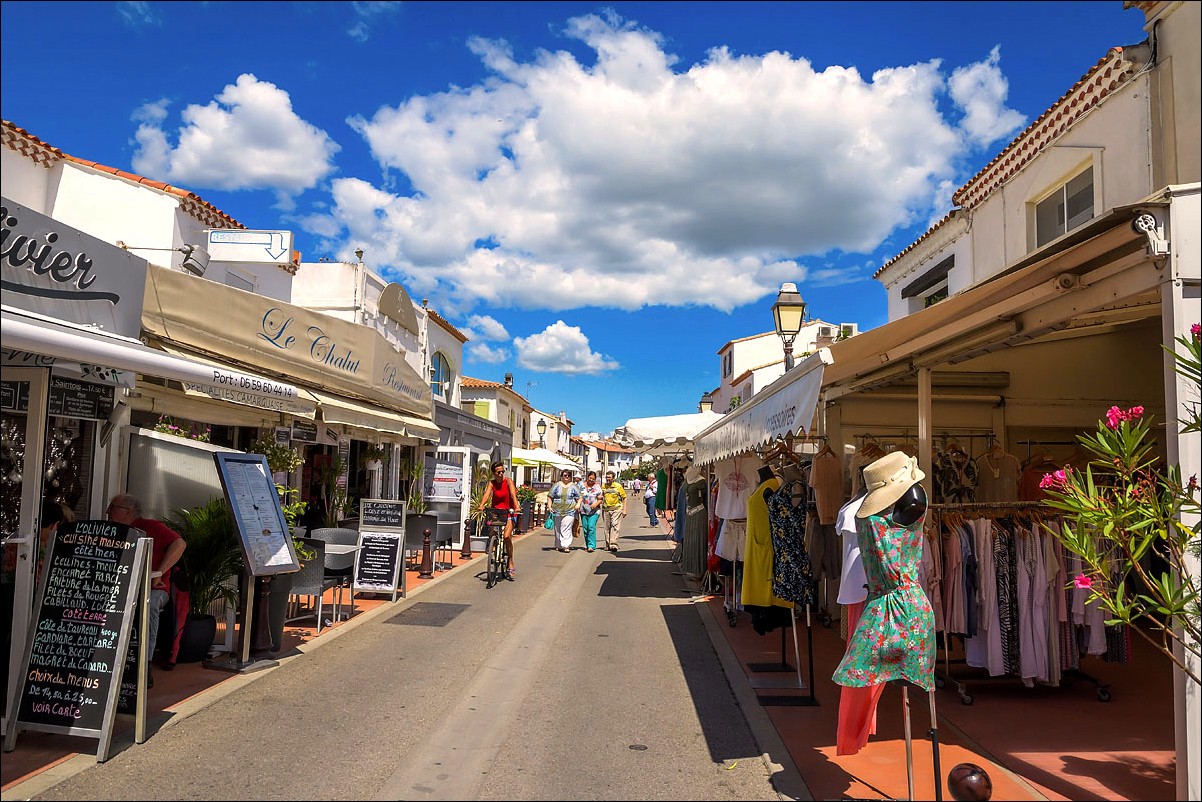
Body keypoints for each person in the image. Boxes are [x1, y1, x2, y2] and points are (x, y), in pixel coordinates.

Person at [106, 493, 186, 681]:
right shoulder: (109, 530)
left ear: (128, 512)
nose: (108, 511)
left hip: (153, 587)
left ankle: (145, 664)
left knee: (148, 606)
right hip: (122, 585)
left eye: (113, 507)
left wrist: (159, 572)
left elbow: (179, 543)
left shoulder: (149, 527)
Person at [477, 462, 519, 580]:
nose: (501, 474)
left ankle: (510, 560)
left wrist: (516, 506)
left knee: (506, 536)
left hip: (509, 511)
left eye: (502, 471)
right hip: (496, 511)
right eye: (498, 472)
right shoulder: (492, 483)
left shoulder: (508, 481)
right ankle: (493, 545)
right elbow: (486, 495)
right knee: (492, 530)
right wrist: (481, 505)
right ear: (494, 473)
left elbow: (512, 494)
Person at [548, 469, 582, 552]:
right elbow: (550, 496)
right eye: (565, 475)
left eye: (568, 476)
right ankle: (558, 544)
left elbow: (580, 497)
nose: (567, 477)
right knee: (557, 528)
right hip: (557, 510)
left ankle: (566, 545)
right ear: (562, 476)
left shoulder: (574, 486)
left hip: (570, 510)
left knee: (566, 528)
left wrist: (578, 504)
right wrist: (549, 506)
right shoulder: (556, 485)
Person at [600, 470, 627, 553]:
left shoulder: (618, 486)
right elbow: (600, 497)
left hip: (616, 509)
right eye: (607, 477)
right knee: (606, 528)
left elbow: (624, 497)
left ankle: (613, 544)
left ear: (613, 478)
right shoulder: (603, 486)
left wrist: (624, 510)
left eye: (609, 477)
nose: (608, 479)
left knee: (615, 526)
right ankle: (608, 544)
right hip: (606, 509)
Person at [577, 471, 604, 553]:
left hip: (594, 511)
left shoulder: (597, 487)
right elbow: (577, 496)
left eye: (593, 479)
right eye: (590, 478)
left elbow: (600, 499)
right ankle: (588, 545)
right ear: (587, 477)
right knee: (585, 528)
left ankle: (591, 546)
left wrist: (595, 504)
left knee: (591, 527)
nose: (591, 480)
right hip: (583, 510)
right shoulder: (581, 486)